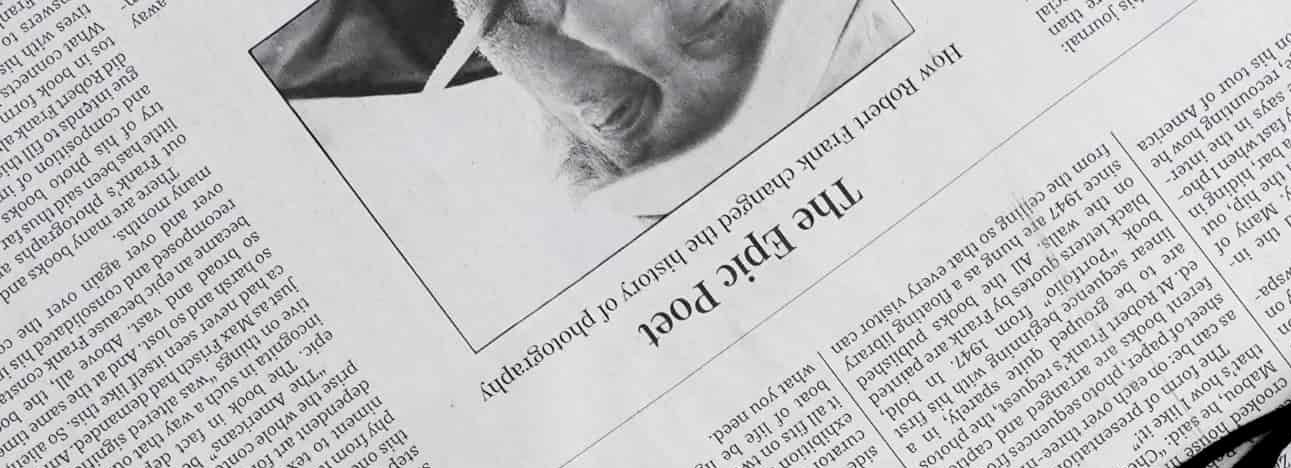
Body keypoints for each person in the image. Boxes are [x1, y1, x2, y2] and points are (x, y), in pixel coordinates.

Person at [255, 0, 879, 187]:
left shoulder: (303, 47)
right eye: (707, 14)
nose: (589, 26)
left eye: (616, 110)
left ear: (556, 121)